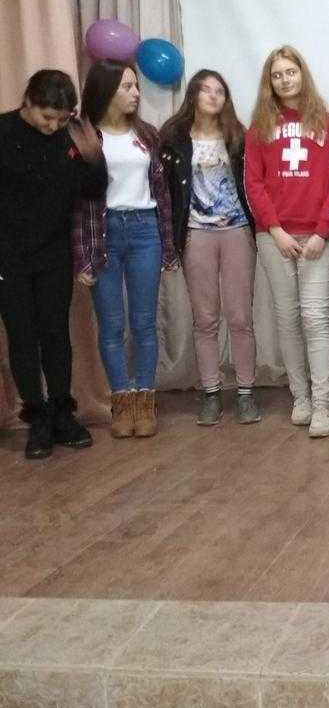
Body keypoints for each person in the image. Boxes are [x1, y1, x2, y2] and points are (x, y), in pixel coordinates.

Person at [0, 70, 107, 459]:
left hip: (54, 253)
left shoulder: (70, 137)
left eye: (61, 119)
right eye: (47, 117)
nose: (53, 126)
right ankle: (37, 418)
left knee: (56, 334)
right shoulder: (4, 132)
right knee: (22, 337)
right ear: (27, 101)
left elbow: (93, 190)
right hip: (8, 256)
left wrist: (93, 158)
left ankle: (62, 412)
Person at [73, 60, 178, 438]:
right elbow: (77, 204)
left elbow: (162, 194)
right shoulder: (83, 137)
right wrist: (83, 257)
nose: (135, 93)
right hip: (104, 233)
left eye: (136, 86)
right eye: (127, 87)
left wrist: (168, 247)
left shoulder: (147, 135)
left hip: (145, 230)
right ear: (105, 90)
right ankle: (121, 402)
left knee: (144, 322)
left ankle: (144, 402)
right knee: (112, 325)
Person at [245, 46, 329, 438]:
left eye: (291, 71)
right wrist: (275, 230)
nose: (285, 80)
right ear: (269, 82)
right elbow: (253, 184)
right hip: (275, 238)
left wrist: (322, 231)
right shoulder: (259, 128)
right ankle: (300, 397)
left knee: (315, 318)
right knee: (287, 318)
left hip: (316, 236)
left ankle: (321, 405)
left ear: (303, 74)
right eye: (277, 74)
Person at [160, 70, 259, 426]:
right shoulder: (173, 138)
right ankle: (211, 392)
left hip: (237, 232)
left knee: (240, 317)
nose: (214, 96)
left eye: (220, 91)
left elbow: (253, 183)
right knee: (205, 319)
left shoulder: (238, 137)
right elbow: (165, 193)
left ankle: (246, 392)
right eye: (207, 89)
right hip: (195, 234)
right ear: (193, 94)